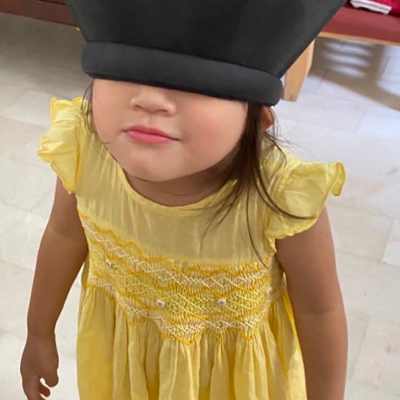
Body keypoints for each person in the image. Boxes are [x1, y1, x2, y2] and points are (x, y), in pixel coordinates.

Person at [20, 1, 349, 399]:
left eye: (194, 82)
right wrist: (38, 333)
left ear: (258, 120)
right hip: (123, 377)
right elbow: (63, 236)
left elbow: (320, 311)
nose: (149, 99)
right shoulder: (85, 156)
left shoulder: (281, 199)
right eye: (123, 70)